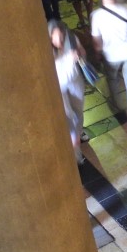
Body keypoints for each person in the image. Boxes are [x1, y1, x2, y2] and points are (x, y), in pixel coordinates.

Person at [91, 0, 127, 112]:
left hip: (111, 55)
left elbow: (97, 42)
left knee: (113, 81)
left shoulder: (96, 16)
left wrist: (98, 54)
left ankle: (117, 106)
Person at [48, 20, 87, 163]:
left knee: (78, 110)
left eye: (61, 36)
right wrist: (66, 58)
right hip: (58, 86)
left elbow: (82, 51)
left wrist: (79, 54)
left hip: (74, 80)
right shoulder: (45, 48)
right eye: (56, 37)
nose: (60, 41)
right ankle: (76, 152)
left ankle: (79, 131)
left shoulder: (71, 38)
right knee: (68, 116)